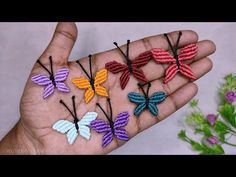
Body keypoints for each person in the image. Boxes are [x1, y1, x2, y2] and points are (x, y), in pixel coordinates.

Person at [0, 22, 216, 154]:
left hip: (109, 96)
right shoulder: (95, 90)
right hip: (100, 99)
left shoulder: (119, 81)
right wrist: (29, 144)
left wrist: (29, 145)